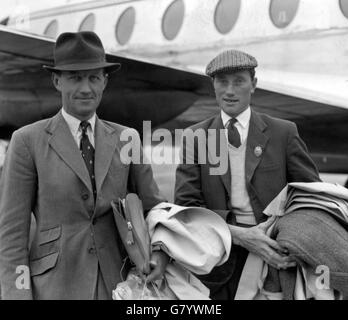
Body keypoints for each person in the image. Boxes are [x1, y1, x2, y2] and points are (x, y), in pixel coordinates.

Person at [0, 31, 168, 300]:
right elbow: (11, 239)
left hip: (119, 285)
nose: (85, 88)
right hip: (54, 289)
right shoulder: (26, 141)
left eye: (93, 77)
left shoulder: (127, 138)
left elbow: (155, 209)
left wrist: (160, 254)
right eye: (75, 78)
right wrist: (17, 296)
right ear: (57, 81)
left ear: (105, 81)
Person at [174, 49, 321, 299]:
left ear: (253, 84)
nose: (230, 91)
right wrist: (241, 236)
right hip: (219, 264)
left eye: (239, 81)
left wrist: (285, 241)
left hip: (277, 259)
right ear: (213, 86)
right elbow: (186, 208)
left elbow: (312, 198)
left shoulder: (283, 133)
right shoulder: (195, 137)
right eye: (222, 82)